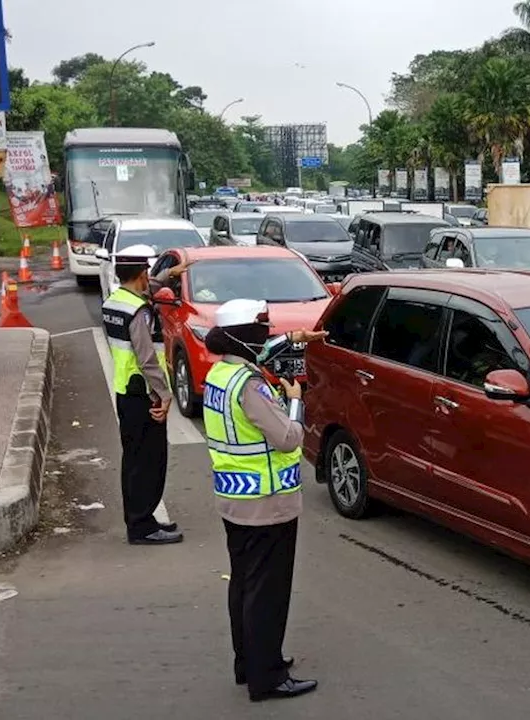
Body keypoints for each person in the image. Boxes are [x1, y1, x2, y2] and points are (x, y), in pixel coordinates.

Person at [202, 299, 326, 703]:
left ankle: (249, 662)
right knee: (268, 594)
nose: (266, 337)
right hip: (266, 503)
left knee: (244, 585)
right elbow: (289, 438)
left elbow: (264, 351)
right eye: (261, 331)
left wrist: (294, 339)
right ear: (244, 337)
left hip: (235, 499)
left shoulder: (223, 373)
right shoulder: (251, 386)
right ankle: (267, 677)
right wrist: (295, 398)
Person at [100, 245, 193, 545]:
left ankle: (141, 518)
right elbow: (146, 358)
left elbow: (147, 287)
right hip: (144, 395)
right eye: (147, 274)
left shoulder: (115, 301)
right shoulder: (139, 312)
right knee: (150, 463)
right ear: (141, 274)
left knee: (134, 461)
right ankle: (142, 527)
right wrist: (164, 396)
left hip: (125, 392)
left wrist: (167, 275)